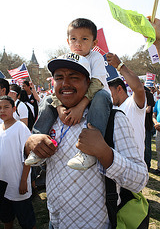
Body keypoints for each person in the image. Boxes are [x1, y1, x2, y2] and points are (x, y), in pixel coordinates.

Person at [25, 54, 148, 229]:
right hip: (55, 221)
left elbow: (140, 180)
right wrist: (30, 144)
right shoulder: (51, 118)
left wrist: (105, 153)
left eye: (74, 77)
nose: (65, 83)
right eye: (59, 77)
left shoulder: (113, 120)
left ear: (89, 84)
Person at [26, 18, 112, 170]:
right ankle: (39, 142)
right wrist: (59, 107)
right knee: (46, 100)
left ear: (94, 43)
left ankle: (89, 152)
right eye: (74, 39)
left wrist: (80, 107)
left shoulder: (96, 57)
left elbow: (96, 84)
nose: (78, 43)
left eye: (84, 39)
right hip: (73, 99)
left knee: (101, 96)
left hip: (96, 98)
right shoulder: (66, 58)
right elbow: (57, 89)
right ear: (67, 41)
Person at [0, 95, 36, 229]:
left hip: (18, 182)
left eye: (6, 107)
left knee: (26, 220)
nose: (2, 111)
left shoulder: (21, 128)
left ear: (14, 108)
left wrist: (23, 181)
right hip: (3, 183)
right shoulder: (0, 128)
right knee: (6, 218)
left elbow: (29, 157)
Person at [107, 53, 146, 159]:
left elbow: (138, 88)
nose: (105, 94)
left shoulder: (133, 104)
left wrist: (120, 66)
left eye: (108, 90)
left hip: (135, 167)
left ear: (119, 88)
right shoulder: (111, 109)